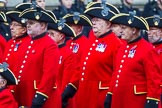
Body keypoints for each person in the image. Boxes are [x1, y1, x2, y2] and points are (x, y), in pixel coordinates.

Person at [62, 3, 122, 108]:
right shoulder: (92, 39)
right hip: (84, 94)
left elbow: (117, 74)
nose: (93, 23)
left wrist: (110, 95)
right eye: (93, 20)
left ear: (108, 24)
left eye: (97, 21)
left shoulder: (116, 44)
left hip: (100, 95)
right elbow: (81, 67)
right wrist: (71, 87)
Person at [104, 13, 161, 108]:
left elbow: (153, 79)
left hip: (135, 100)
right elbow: (116, 73)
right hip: (119, 99)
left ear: (134, 30)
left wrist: (152, 100)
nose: (121, 31)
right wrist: (110, 93)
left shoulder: (148, 49)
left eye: (124, 28)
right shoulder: (122, 48)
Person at [13, 4, 60, 108]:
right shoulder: (25, 43)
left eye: (32, 23)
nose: (28, 25)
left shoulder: (50, 45)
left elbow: (49, 74)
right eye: (27, 23)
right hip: (24, 93)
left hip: (39, 95)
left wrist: (41, 96)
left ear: (43, 26)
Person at [47, 19, 77, 108]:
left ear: (61, 36)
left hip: (60, 97)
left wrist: (61, 98)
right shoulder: (49, 51)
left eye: (52, 34)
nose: (48, 36)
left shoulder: (68, 54)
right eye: (48, 34)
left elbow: (66, 80)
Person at [145, 15, 162, 108]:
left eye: (152, 30)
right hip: (148, 90)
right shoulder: (146, 48)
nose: (149, 33)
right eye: (148, 30)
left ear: (161, 32)